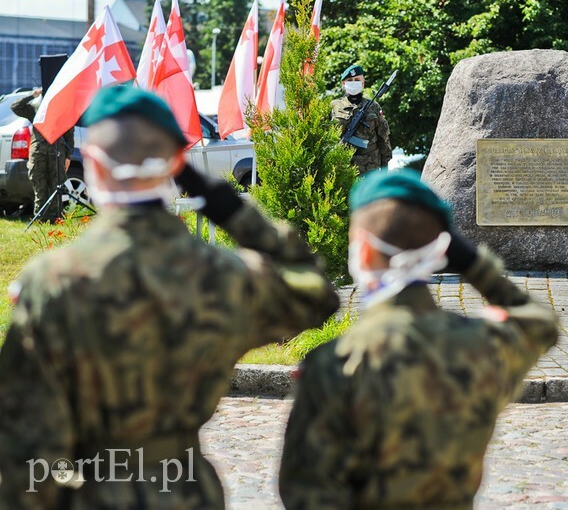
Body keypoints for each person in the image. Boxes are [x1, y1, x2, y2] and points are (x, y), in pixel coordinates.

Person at [0, 85, 339, 509]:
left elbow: (19, 439)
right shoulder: (224, 275)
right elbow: (315, 294)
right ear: (175, 168)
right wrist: (229, 209)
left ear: (94, 167)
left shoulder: (49, 282)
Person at [279, 169, 560, 509]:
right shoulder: (484, 345)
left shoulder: (337, 362)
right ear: (439, 250)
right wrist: (472, 262)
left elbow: (305, 492)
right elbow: (541, 322)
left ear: (364, 251)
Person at [11, 88, 74, 221]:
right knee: (40, 190)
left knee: (56, 190)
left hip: (57, 155)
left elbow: (69, 136)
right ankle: (40, 221)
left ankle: (55, 220)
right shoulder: (37, 111)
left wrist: (68, 156)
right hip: (39, 155)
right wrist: (32, 95)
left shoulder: (63, 112)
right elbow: (16, 107)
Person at [330, 64, 392, 175]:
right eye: (350, 80)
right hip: (342, 168)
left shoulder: (373, 106)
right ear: (343, 84)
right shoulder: (334, 106)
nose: (353, 82)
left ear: (363, 83)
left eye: (357, 79)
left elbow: (384, 139)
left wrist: (384, 169)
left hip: (370, 169)